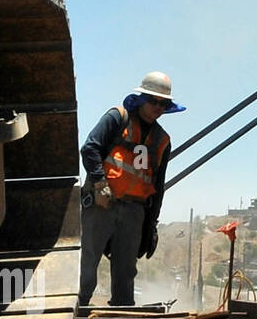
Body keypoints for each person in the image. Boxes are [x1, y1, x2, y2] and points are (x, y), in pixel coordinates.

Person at [78, 71, 185, 306]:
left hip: (135, 210)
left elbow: (158, 185)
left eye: (163, 103)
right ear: (141, 99)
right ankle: (78, 309)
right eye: (153, 101)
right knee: (89, 259)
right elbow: (90, 149)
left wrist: (152, 223)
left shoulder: (162, 140)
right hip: (102, 203)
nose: (158, 106)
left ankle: (122, 315)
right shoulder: (118, 117)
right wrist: (100, 183)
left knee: (126, 269)